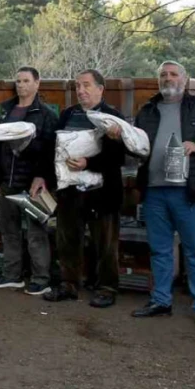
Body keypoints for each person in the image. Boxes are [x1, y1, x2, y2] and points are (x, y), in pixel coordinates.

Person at [122, 61, 195, 331]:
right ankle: (161, 301)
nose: (168, 79)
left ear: (185, 78)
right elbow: (138, 148)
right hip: (155, 190)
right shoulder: (147, 110)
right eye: (163, 75)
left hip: (189, 191)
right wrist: (123, 138)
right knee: (159, 249)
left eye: (173, 74)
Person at [43, 69, 126, 308]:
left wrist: (89, 163)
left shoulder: (113, 117)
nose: (81, 90)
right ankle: (69, 285)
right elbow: (53, 148)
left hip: (102, 193)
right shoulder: (68, 114)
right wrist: (45, 178)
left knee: (105, 243)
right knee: (67, 240)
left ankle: (106, 288)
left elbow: (119, 158)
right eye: (78, 86)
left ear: (101, 89)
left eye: (86, 85)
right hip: (70, 191)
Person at [0, 67, 59, 295]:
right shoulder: (6, 111)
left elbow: (51, 152)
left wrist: (42, 177)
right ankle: (12, 275)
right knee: (9, 230)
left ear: (37, 84)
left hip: (34, 184)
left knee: (37, 232)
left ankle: (41, 278)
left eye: (26, 81)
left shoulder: (47, 115)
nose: (21, 85)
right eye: (18, 81)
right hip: (8, 180)